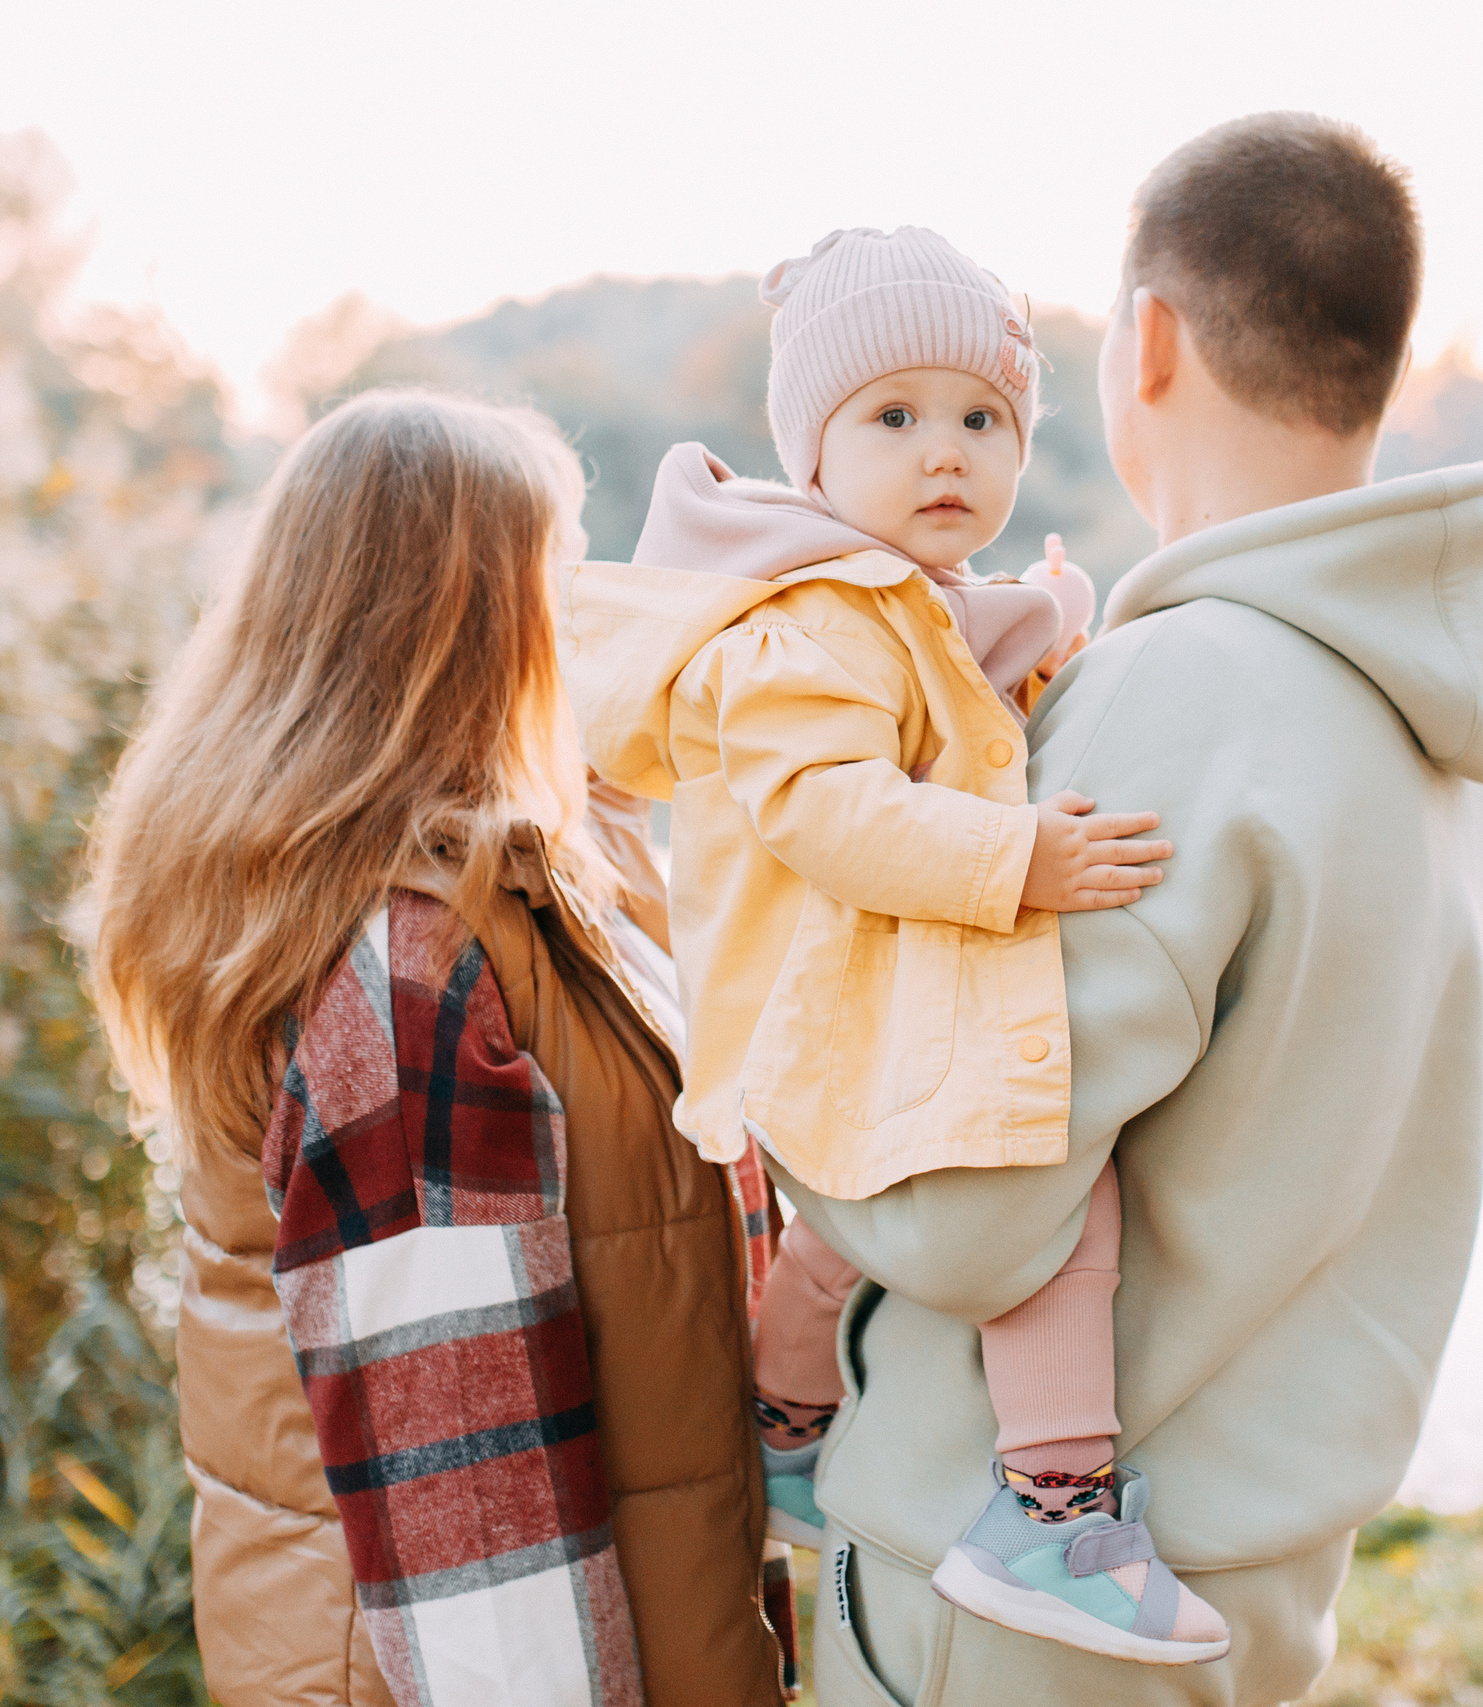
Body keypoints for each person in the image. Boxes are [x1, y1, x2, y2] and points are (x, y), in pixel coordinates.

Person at [776, 114, 1483, 1706]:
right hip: (1260, 1587)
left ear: (1154, 341)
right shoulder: (1467, 737)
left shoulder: (1177, 694)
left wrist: (776, 1104)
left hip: (1014, 1614)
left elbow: (973, 1215)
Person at [562, 224, 1232, 1664]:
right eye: (894, 418)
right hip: (826, 1011)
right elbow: (830, 809)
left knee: (843, 1231)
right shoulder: (810, 624)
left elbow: (954, 711)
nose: (946, 454)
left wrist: (1046, 634)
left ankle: (783, 1425)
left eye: (984, 420)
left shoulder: (894, 603)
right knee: (1052, 1195)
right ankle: (1050, 1512)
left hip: (845, 1018)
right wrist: (1021, 858)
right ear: (811, 454)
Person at [79, 391, 787, 1707]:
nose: (581, 612)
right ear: (476, 628)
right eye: (560, 574)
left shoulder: (498, 884)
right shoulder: (404, 986)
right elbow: (483, 1559)